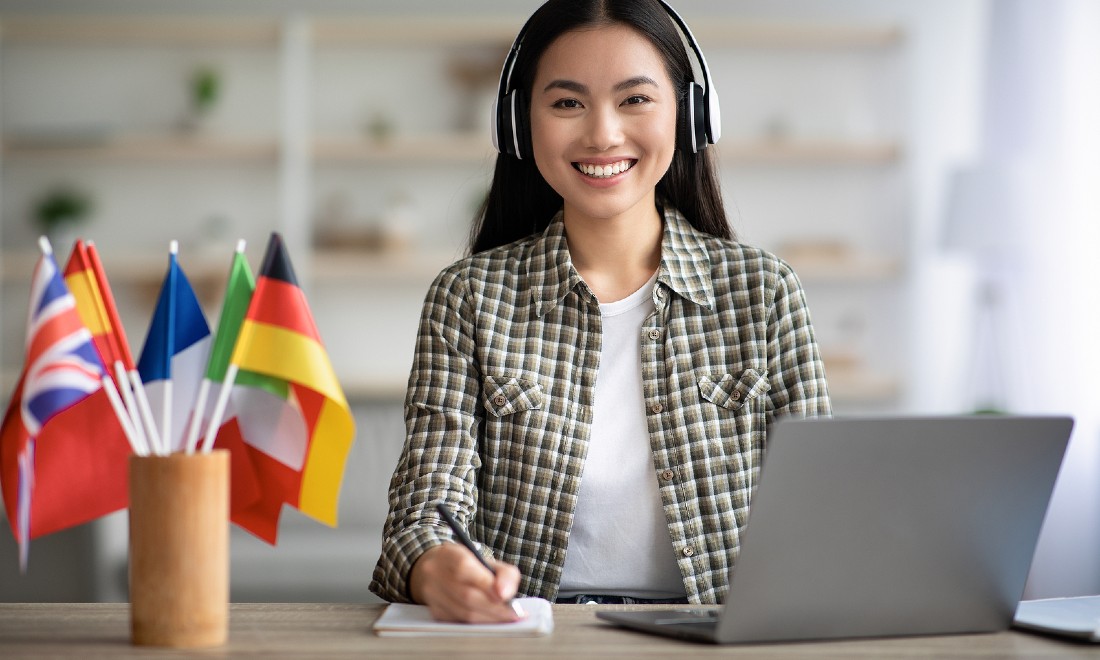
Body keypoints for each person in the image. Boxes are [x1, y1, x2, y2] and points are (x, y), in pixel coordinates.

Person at [370, 0, 831, 623]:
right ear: (519, 124)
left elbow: (819, 514)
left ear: (689, 115)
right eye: (567, 103)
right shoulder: (468, 299)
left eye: (635, 99)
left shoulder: (766, 292)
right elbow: (421, 515)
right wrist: (437, 568)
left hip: (714, 635)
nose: (602, 134)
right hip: (531, 633)